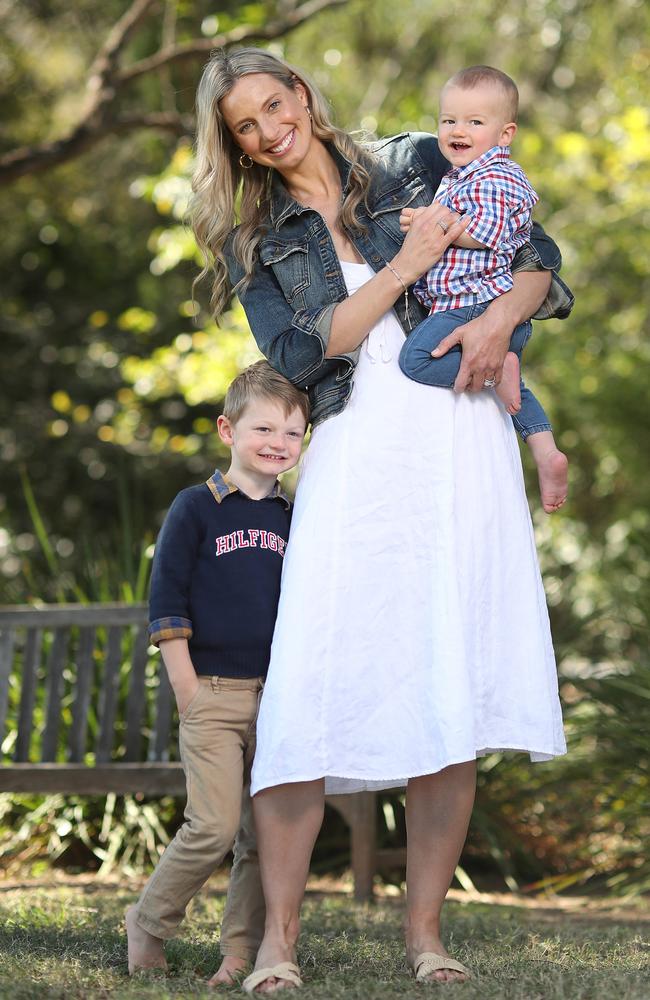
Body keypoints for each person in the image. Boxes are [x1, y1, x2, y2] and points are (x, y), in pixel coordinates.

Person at [191, 47, 571, 991]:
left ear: (304, 98)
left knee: (448, 676)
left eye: (275, 104)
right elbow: (304, 350)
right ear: (234, 143)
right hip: (358, 452)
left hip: (462, 439)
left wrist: (495, 323)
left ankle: (426, 935)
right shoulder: (256, 241)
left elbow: (540, 259)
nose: (269, 129)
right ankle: (278, 942)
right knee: (312, 682)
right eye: (246, 124)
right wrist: (406, 263)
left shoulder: (415, 160)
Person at [125, 361, 309, 986]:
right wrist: (187, 687)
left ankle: (239, 951)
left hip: (278, 699)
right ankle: (149, 921)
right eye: (265, 429)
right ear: (228, 430)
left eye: (293, 433)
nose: (278, 444)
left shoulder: (297, 517)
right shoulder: (196, 508)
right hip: (213, 694)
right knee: (211, 826)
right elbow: (167, 598)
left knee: (264, 837)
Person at [398, 65, 568, 513]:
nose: (458, 130)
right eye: (449, 120)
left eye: (475, 122)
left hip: (474, 305)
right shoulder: (460, 176)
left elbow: (486, 232)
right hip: (472, 307)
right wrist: (424, 220)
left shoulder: (496, 176)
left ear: (505, 133)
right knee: (514, 389)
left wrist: (436, 224)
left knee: (414, 360)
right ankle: (545, 449)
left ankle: (495, 373)